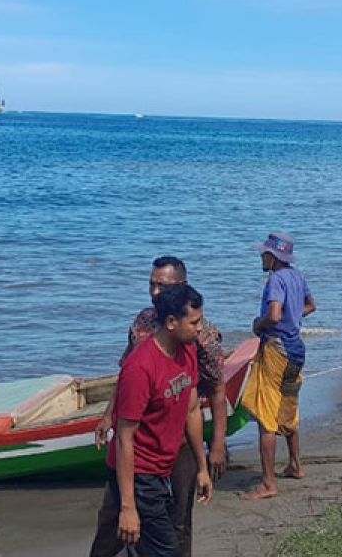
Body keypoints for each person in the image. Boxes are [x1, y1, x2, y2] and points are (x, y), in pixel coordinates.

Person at [93, 256, 226, 557]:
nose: (154, 291)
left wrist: (207, 459)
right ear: (171, 322)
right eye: (151, 284)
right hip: (140, 468)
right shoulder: (143, 352)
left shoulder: (193, 343)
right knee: (122, 529)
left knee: (172, 528)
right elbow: (125, 435)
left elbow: (203, 401)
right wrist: (129, 505)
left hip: (171, 454)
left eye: (161, 285)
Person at [241, 232, 316, 501]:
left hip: (276, 348)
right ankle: (295, 464)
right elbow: (311, 305)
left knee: (266, 415)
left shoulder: (275, 280)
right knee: (288, 405)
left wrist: (257, 324)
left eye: (264, 253)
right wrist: (293, 316)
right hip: (296, 349)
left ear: (272, 257)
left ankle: (269, 483)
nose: (261, 257)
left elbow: (273, 315)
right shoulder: (297, 276)